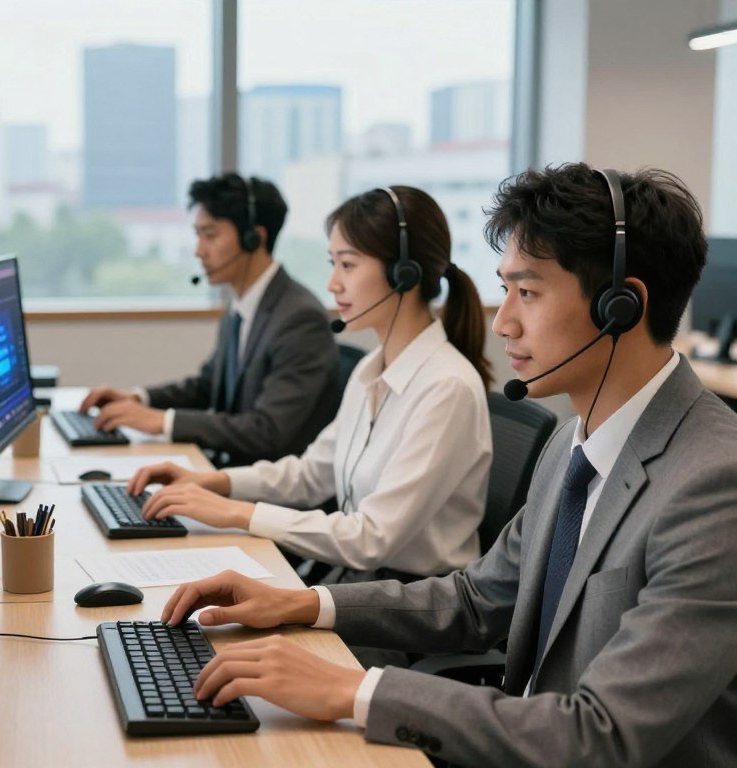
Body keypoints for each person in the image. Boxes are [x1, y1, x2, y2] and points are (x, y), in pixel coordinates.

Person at [158, 164, 737, 768]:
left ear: (622, 306)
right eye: (505, 290)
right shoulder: (576, 441)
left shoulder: (712, 486)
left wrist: (354, 689)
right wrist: (303, 604)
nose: (503, 322)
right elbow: (475, 599)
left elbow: (601, 735)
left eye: (529, 292)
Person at [130, 186, 493, 586]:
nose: (333, 283)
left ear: (403, 274)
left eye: (348, 265)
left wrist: (238, 512)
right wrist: (214, 482)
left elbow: (371, 539)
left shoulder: (447, 388)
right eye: (332, 263)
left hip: (412, 607)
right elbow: (309, 475)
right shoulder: (372, 370)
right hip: (359, 582)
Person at [79, 173, 339, 467]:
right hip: (231, 472)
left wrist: (164, 422)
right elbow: (208, 385)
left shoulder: (299, 319)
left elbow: (268, 431)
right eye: (197, 235)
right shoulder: (242, 304)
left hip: (270, 494)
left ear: (254, 238)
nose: (198, 250)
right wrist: (140, 398)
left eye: (210, 235)